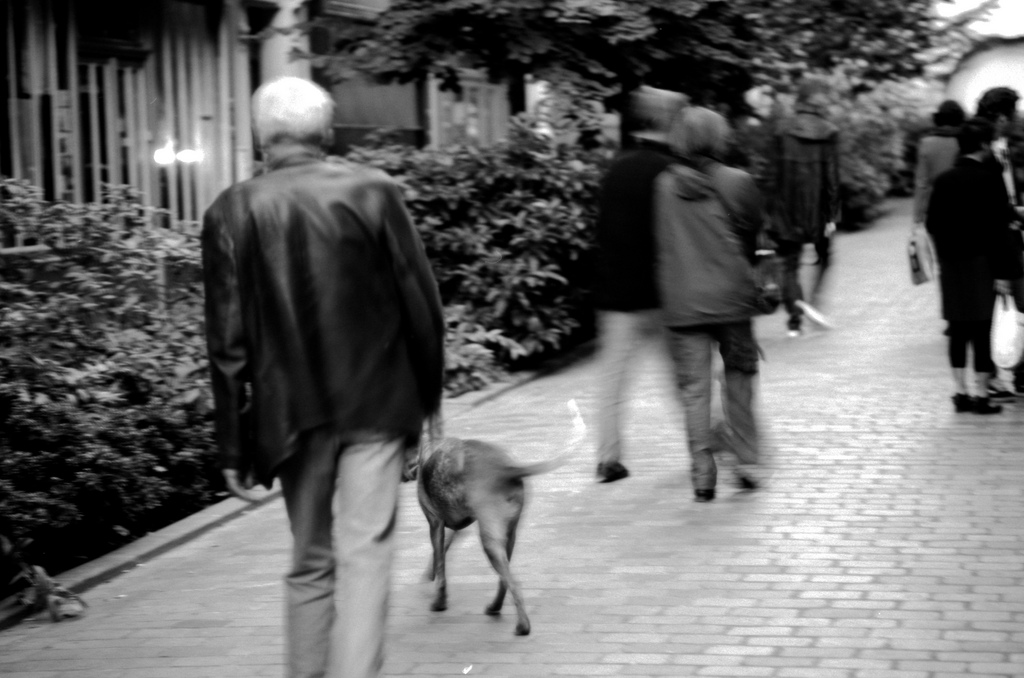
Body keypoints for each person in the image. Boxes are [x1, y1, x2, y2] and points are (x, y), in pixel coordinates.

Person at [201, 76, 444, 678]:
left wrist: (232, 445)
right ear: (327, 132)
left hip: (291, 415)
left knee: (310, 559)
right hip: (378, 405)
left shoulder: (231, 210)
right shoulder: (374, 191)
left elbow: (227, 343)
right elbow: (422, 307)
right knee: (365, 556)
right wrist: (428, 403)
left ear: (260, 137)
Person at [653, 107, 764, 502]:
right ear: (718, 137)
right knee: (739, 381)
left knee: (695, 392)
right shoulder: (738, 182)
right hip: (733, 302)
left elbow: (661, 243)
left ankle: (703, 477)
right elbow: (754, 238)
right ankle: (747, 462)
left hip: (683, 304)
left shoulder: (663, 187)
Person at [592, 86, 687, 483]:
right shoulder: (675, 171)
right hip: (664, 295)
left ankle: (607, 458)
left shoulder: (617, 168)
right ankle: (712, 446)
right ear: (670, 121)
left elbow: (604, 231)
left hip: (616, 294)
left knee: (612, 381)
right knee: (688, 380)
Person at [926, 116, 1021, 415]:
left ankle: (960, 391)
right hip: (983, 264)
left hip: (952, 265)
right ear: (982, 145)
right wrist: (1005, 272)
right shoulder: (989, 180)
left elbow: (932, 223)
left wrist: (945, 253)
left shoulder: (943, 180)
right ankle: (981, 394)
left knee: (956, 328)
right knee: (981, 329)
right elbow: (999, 229)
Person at [765, 78, 841, 337]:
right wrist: (832, 214)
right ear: (819, 100)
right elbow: (831, 178)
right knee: (826, 257)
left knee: (788, 264)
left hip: (786, 207)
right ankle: (813, 303)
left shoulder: (781, 130)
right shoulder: (829, 131)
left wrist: (770, 210)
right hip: (818, 209)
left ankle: (795, 320)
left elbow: (772, 175)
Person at [976, 87, 1024, 398]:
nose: (1018, 117)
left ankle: (1017, 369)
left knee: (1018, 301)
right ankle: (991, 374)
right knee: (990, 307)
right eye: (1014, 112)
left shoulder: (1013, 146)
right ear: (1001, 116)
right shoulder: (978, 148)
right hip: (991, 235)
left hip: (1013, 231)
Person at [913, 100, 966, 225]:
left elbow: (921, 183)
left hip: (935, 208)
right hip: (963, 207)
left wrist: (918, 218)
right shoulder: (965, 142)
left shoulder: (926, 143)